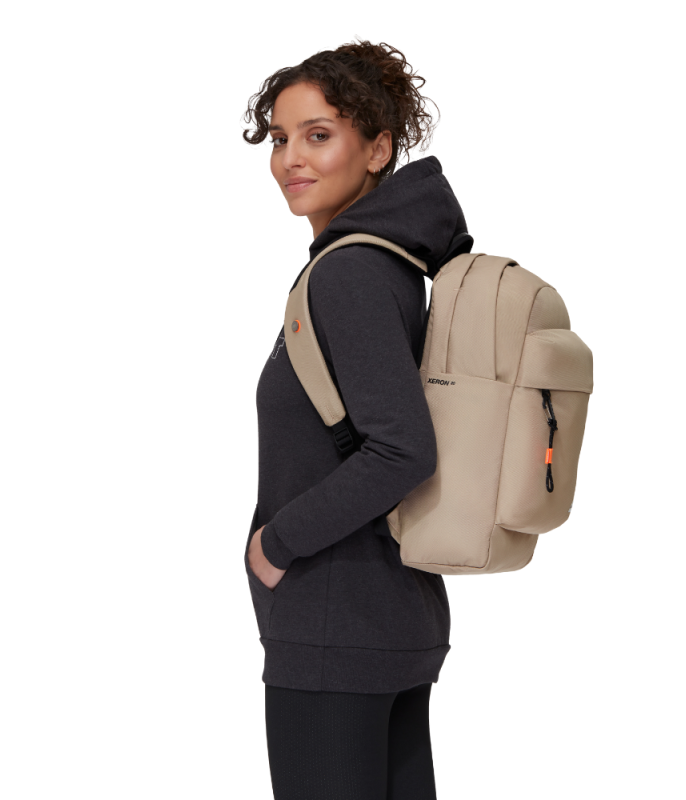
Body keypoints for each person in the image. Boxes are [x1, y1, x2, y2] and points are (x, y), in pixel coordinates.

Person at [241, 38, 473, 800]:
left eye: (318, 135)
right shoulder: (390, 265)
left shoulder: (349, 273)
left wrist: (277, 543)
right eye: (280, 138)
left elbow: (402, 449)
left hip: (335, 628)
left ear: (378, 150)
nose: (291, 159)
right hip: (383, 620)